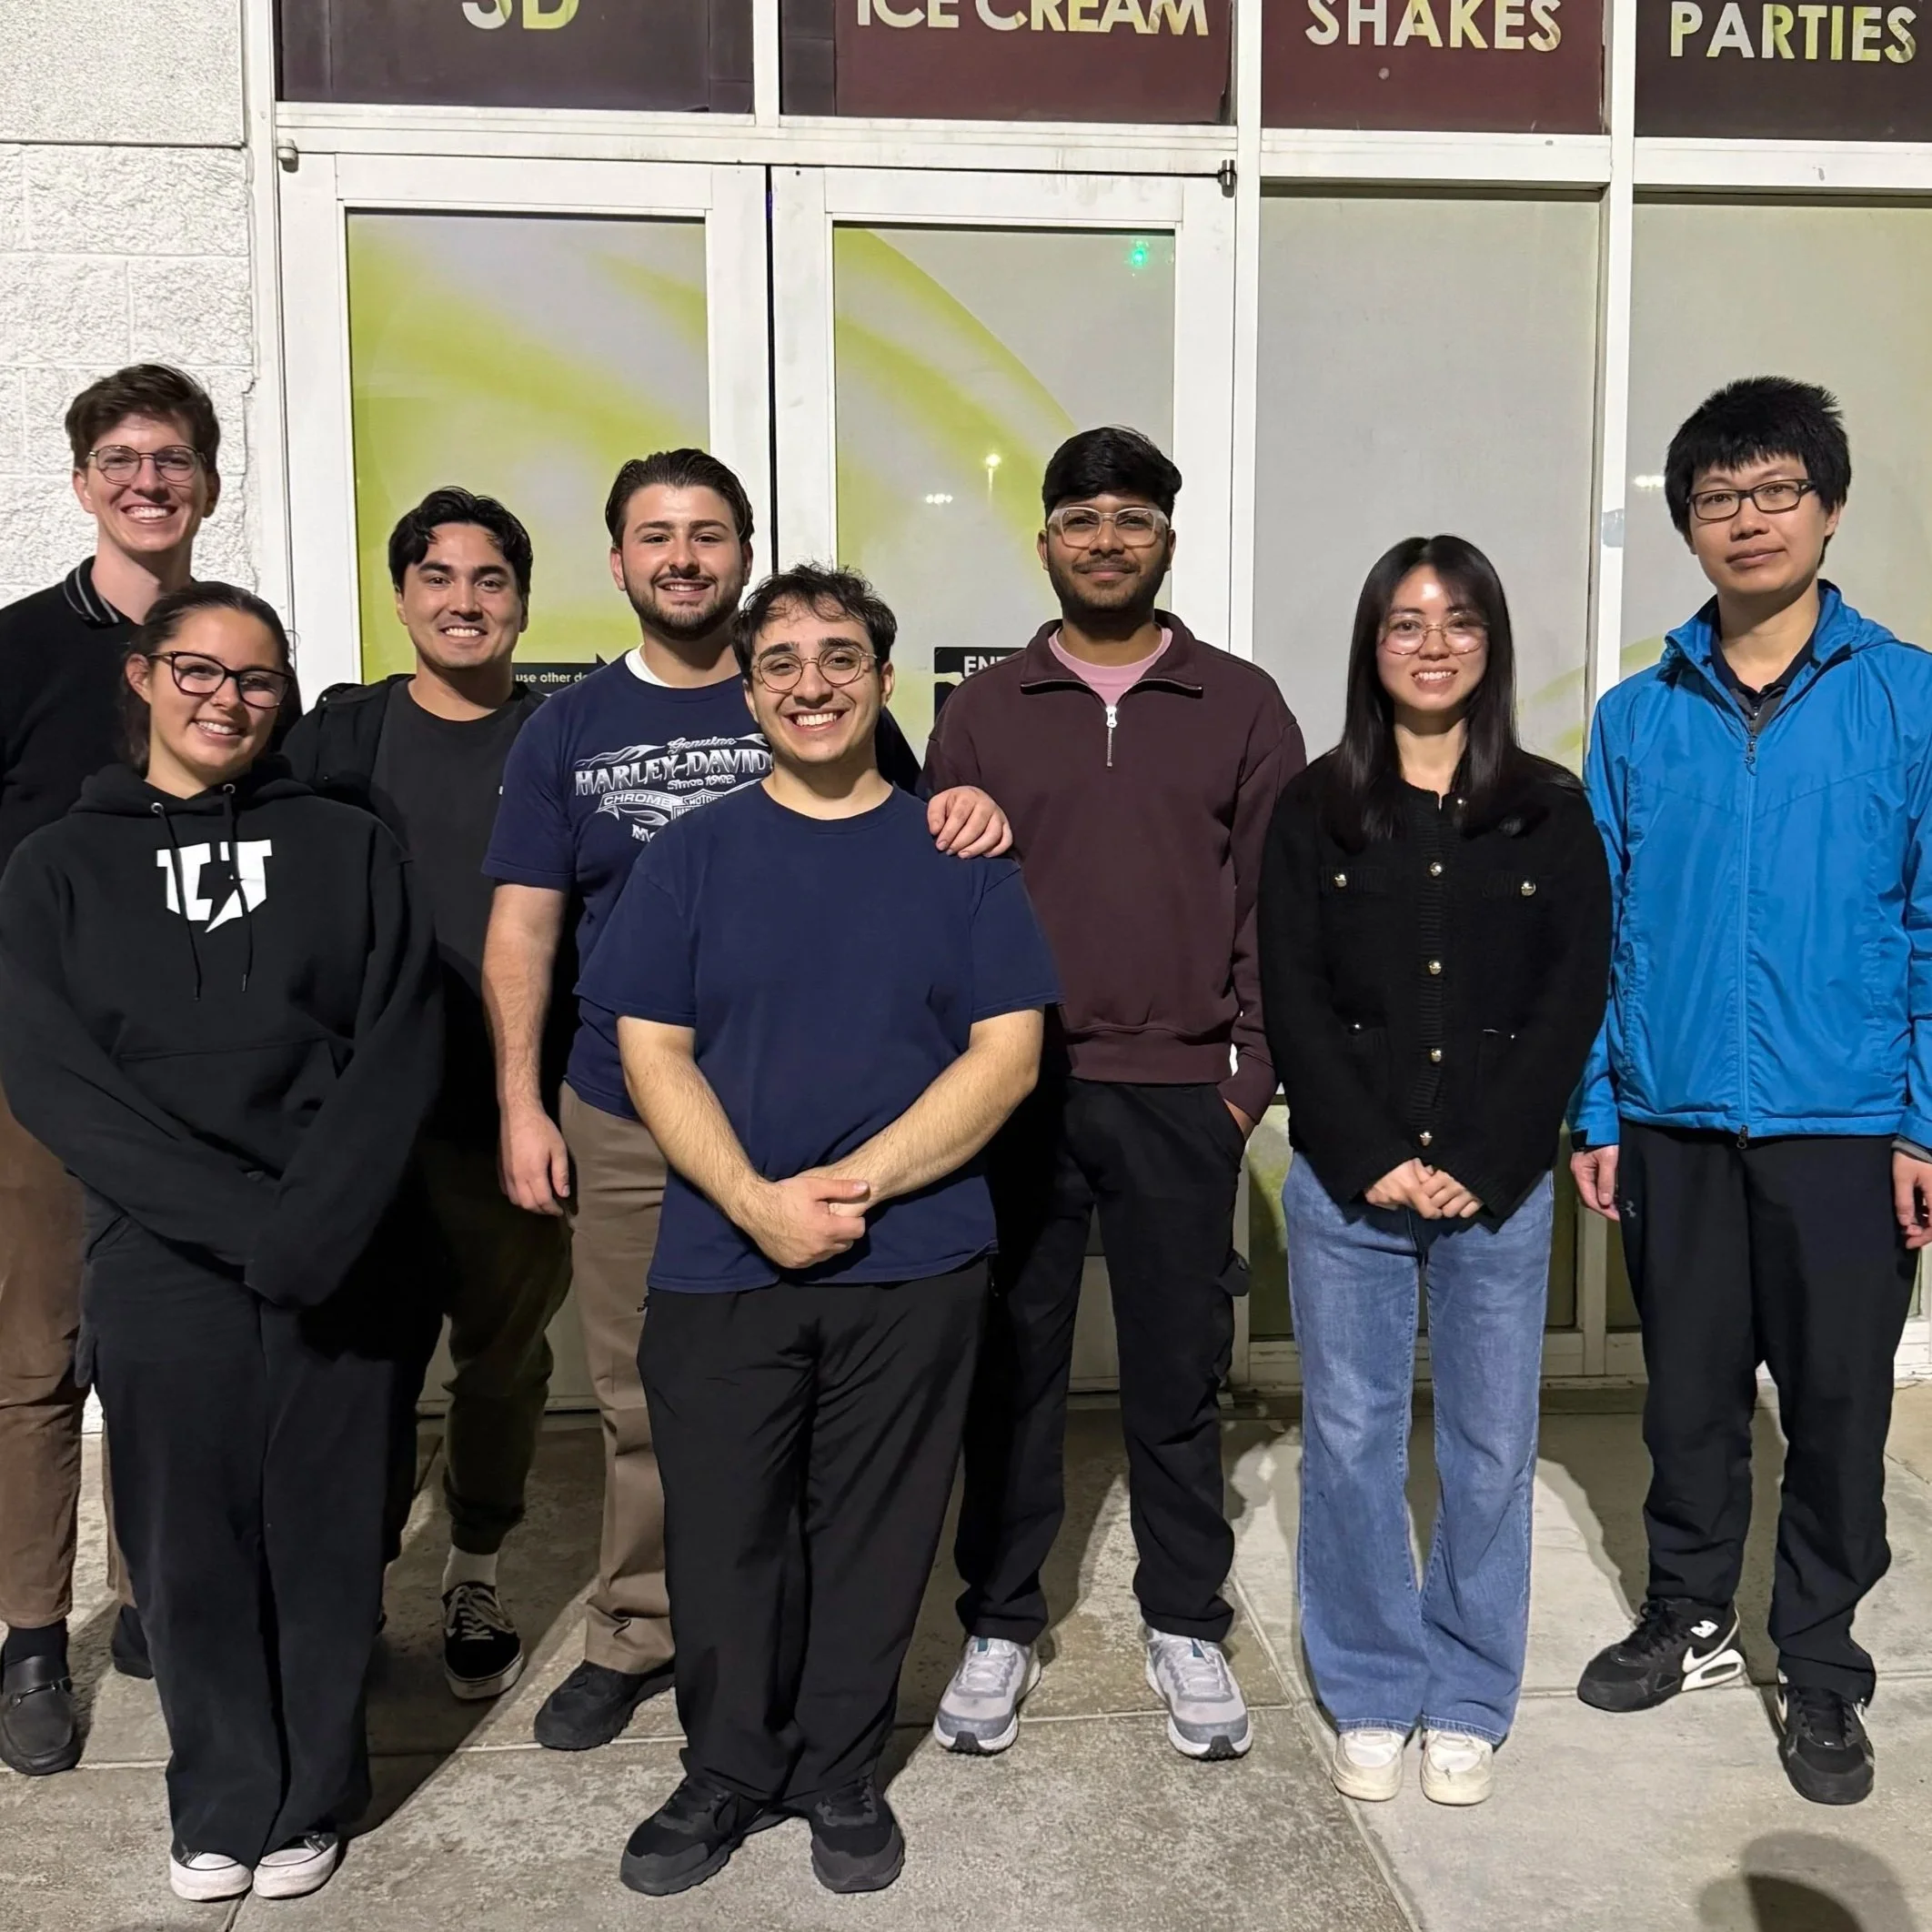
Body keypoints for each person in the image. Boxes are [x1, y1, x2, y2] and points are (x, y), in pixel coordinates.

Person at [480, 448, 1011, 1751]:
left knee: (810, 1406)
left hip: (806, 1115)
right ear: (618, 560)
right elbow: (524, 930)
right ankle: (642, 1626)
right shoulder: (567, 727)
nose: (683, 558)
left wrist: (970, 804)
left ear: (743, 553)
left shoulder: (814, 683)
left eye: (708, 534)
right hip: (625, 1106)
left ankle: (793, 1639)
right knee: (643, 1394)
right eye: (656, 536)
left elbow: (906, 828)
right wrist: (520, 1103)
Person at [582, 564, 1057, 1897]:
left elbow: (1009, 1056)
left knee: (875, 1531)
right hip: (720, 1259)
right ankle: (728, 1769)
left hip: (913, 1261)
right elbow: (651, 1051)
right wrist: (754, 1200)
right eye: (781, 663)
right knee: (724, 1530)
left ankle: (842, 1770)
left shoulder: (959, 858)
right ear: (749, 694)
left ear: (884, 682)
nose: (812, 684)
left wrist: (852, 1186)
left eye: (840, 657)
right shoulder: (690, 856)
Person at [0, 583, 439, 1899]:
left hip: (340, 1244)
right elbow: (56, 1077)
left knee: (327, 1536)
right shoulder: (55, 868)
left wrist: (313, 1226)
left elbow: (401, 1039)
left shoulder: (350, 846)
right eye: (199, 670)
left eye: (256, 680)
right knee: (187, 1550)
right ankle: (222, 1798)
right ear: (143, 677)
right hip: (165, 1256)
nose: (226, 700)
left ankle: (314, 1793)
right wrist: (242, 1226)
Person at [1570, 377, 1932, 1807]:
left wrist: (1923, 1120)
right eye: (1719, 497)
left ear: (1830, 509)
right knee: (1689, 1397)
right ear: (1687, 526)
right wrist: (1602, 1107)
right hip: (1672, 1119)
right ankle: (1690, 1613)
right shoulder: (1635, 717)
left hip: (1849, 1123)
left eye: (1777, 490)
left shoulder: (1909, 700)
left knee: (1838, 1407)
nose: (1749, 518)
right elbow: (1600, 931)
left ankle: (1823, 1660)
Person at [924, 426, 1305, 1762]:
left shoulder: (1241, 704)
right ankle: (997, 1619)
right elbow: (941, 907)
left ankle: (1185, 1618)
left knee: (1178, 1377)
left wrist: (1244, 1083)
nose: (1105, 540)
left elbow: (1273, 910)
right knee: (1010, 1372)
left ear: (1166, 541)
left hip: (1181, 1092)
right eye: (1081, 518)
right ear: (1045, 541)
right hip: (1013, 1093)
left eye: (1131, 518)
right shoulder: (982, 710)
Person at [1259, 536, 1610, 1807]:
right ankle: (1369, 1684)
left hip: (1494, 1191)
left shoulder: (1548, 808)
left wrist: (1480, 1157)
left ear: (1491, 644)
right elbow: (1291, 995)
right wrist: (1369, 1157)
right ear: (1372, 646)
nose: (1432, 645)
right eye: (1405, 623)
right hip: (1348, 1186)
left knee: (1489, 1444)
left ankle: (1467, 1692)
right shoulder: (1317, 806)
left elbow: (1571, 996)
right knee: (1351, 1438)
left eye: (1459, 621)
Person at [283, 488, 572, 1702]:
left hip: (509, 1108)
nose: (465, 601)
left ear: (523, 601)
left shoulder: (559, 739)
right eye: (438, 578)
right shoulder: (335, 738)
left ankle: (475, 1571)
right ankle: (349, 1581)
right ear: (399, 598)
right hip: (367, 1119)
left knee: (502, 1362)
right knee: (364, 1364)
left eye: (491, 579)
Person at [0, 364, 226, 1776]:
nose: (150, 482)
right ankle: (32, 1635)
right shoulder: (18, 649)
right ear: (83, 481)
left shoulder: (233, 649)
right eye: (124, 461)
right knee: (37, 1358)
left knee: (164, 1347)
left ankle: (155, 1602)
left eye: (174, 459)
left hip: (191, 1074)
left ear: (210, 482)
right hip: (37, 1066)